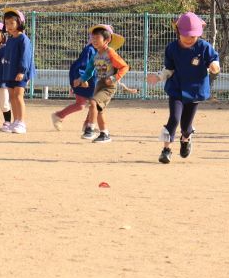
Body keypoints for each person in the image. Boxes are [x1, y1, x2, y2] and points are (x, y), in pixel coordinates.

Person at [147, 12, 220, 164]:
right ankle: (166, 150)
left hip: (195, 91)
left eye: (193, 36)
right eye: (186, 35)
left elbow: (214, 60)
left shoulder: (204, 47)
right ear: (178, 32)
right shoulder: (172, 48)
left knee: (186, 126)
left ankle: (186, 138)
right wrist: (159, 77)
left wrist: (215, 66)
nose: (189, 39)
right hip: (177, 89)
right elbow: (169, 69)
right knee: (174, 119)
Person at [79, 24, 129, 143]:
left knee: (93, 102)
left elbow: (124, 66)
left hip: (109, 86)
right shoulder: (95, 55)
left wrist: (113, 78)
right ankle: (104, 134)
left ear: (107, 40)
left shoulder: (110, 52)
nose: (94, 40)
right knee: (99, 110)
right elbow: (89, 70)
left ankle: (90, 129)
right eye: (93, 38)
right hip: (99, 84)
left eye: (97, 38)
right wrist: (82, 80)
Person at [51, 39, 98, 136]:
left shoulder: (102, 51)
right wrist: (81, 79)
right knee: (81, 105)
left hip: (93, 80)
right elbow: (81, 65)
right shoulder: (89, 49)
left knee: (95, 103)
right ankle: (59, 115)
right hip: (81, 78)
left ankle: (88, 125)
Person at [1, 7, 34, 134]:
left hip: (20, 73)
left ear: (19, 23)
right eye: (6, 23)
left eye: (12, 23)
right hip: (10, 72)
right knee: (12, 97)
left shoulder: (23, 39)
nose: (8, 26)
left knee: (19, 96)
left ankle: (21, 122)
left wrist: (22, 71)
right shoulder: (10, 39)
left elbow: (25, 56)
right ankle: (15, 121)